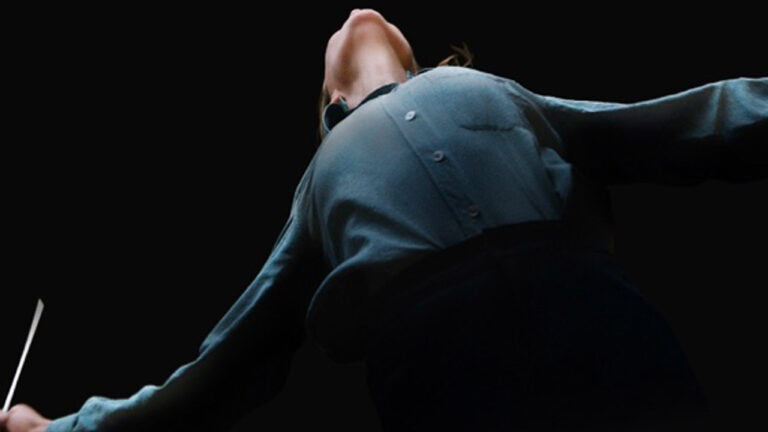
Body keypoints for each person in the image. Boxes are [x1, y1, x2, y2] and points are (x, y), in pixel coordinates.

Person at [2, 7, 766, 432]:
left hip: (599, 320)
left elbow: (682, 122)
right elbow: (223, 367)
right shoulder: (318, 182)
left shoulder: (497, 90)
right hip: (443, 367)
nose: (355, 10)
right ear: (328, 107)